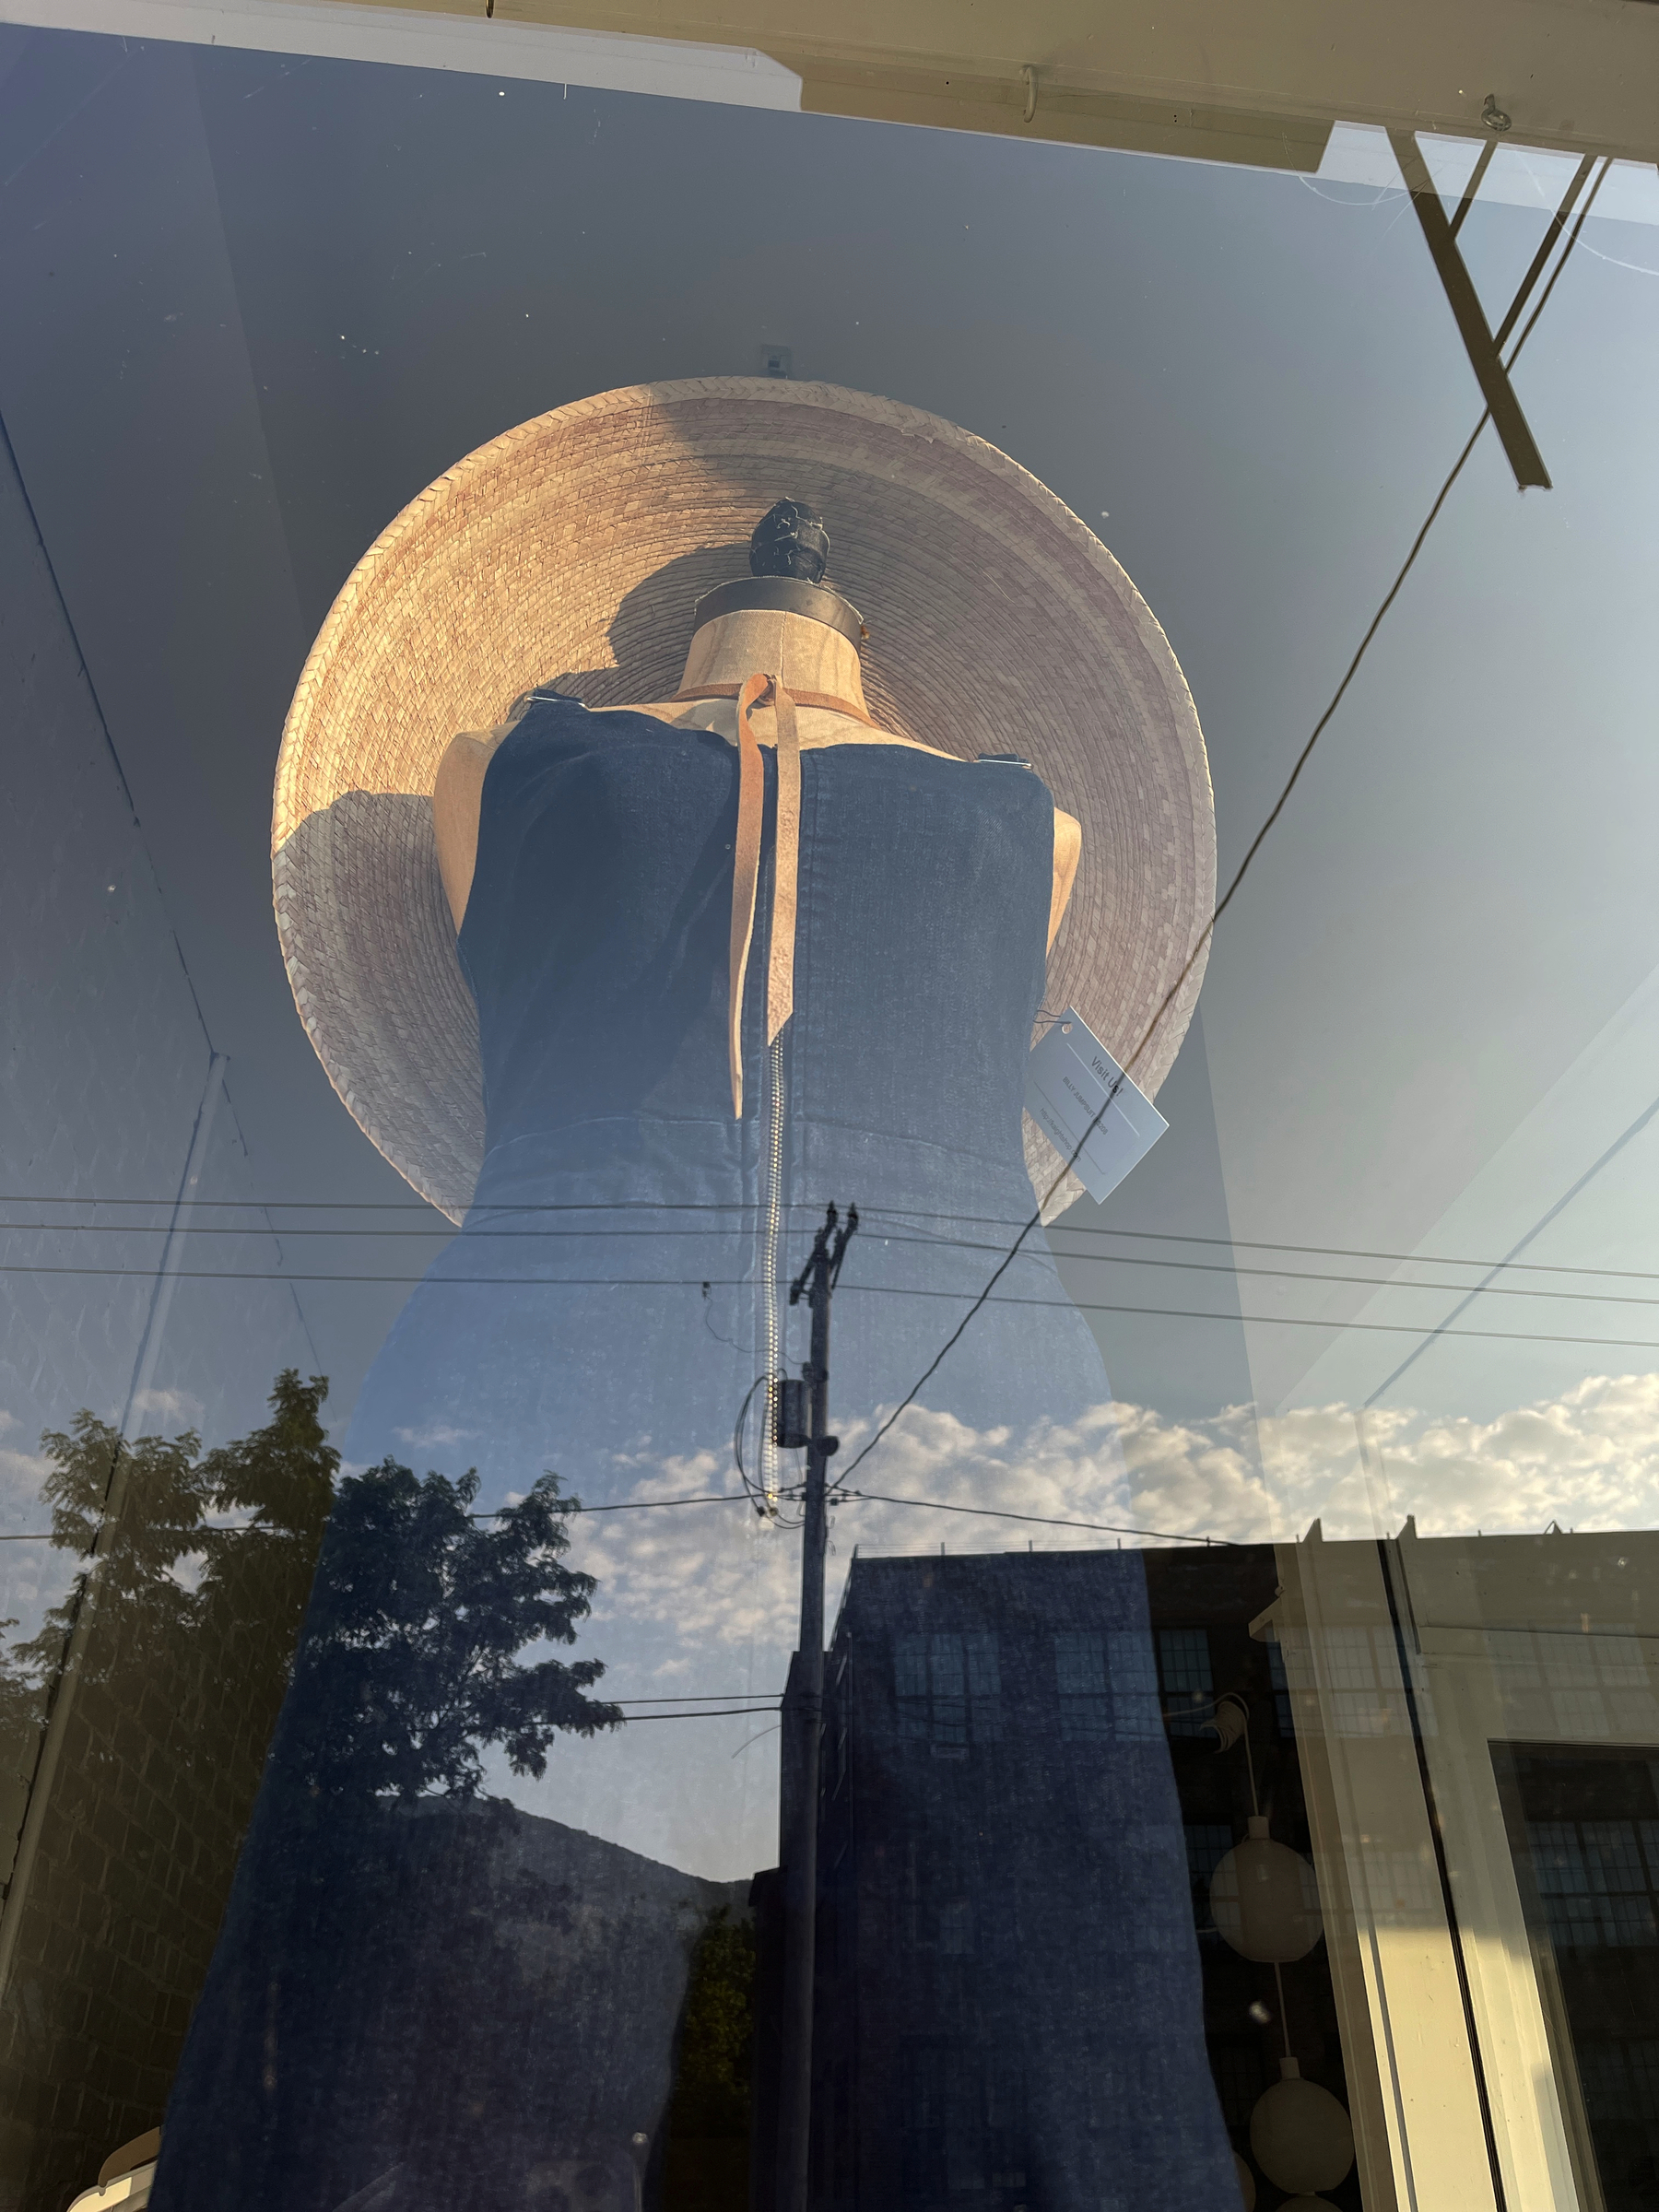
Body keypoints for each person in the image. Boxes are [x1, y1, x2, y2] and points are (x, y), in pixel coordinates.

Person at [156, 382, 1232, 2210]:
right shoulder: (510, 765)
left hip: (961, 1424)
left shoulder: (1025, 824)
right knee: (429, 2013)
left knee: (1036, 2038)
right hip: (537, 1409)